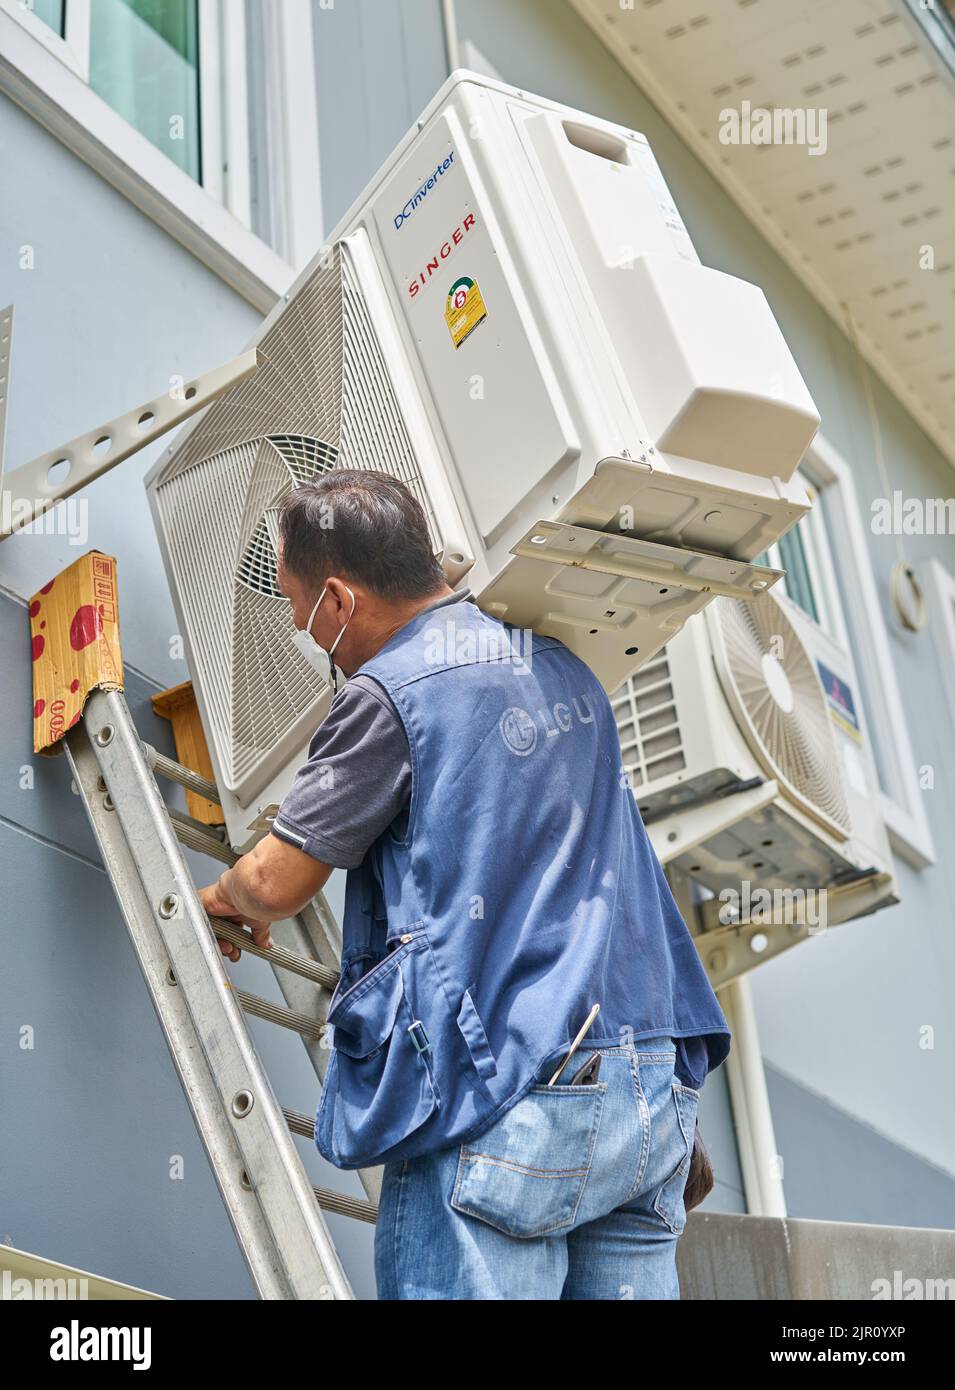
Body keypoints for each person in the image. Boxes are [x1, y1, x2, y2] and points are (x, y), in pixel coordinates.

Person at [197, 468, 732, 1300]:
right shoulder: (560, 670)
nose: (302, 628)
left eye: (299, 606)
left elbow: (274, 884)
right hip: (646, 1085)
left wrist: (225, 896)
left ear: (336, 601)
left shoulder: (390, 693)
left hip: (511, 1093)